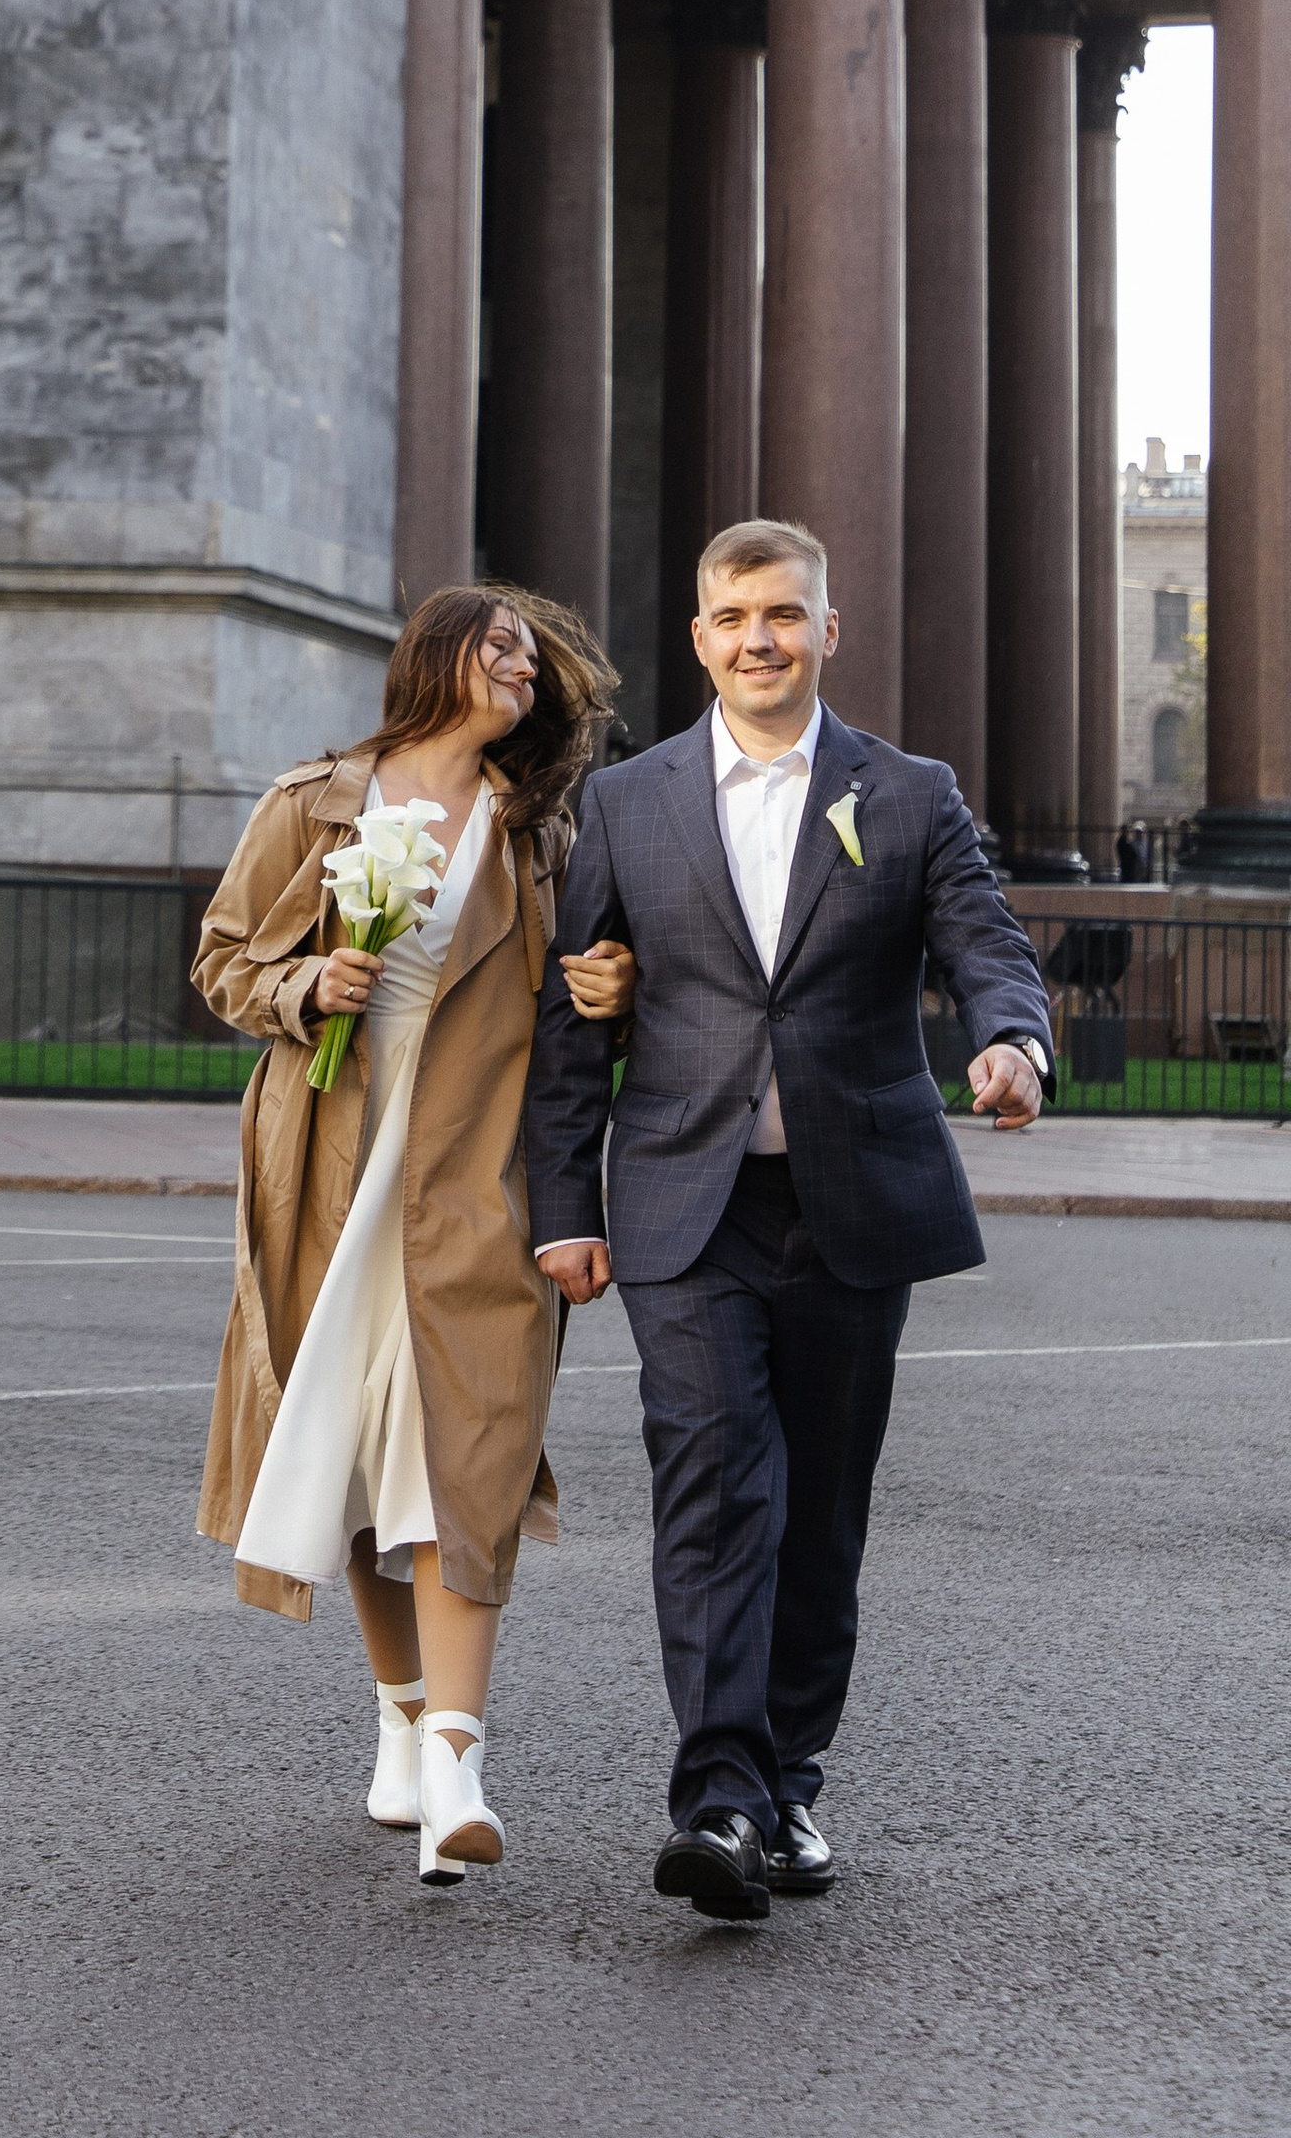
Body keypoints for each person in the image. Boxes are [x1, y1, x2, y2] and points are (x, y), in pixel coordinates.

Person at [525, 517, 1055, 1922]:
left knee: (817, 1508)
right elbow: (573, 1023)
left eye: (784, 614)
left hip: (850, 1206)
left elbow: (986, 944)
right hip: (686, 1206)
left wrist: (1014, 1045)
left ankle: (790, 1786)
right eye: (732, 616)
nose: (759, 638)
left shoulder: (911, 791)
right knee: (712, 1489)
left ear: (830, 631)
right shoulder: (629, 803)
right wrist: (562, 1211)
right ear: (698, 638)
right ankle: (719, 1801)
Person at [193, 587, 633, 1885]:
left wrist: (613, 987)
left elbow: (580, 1004)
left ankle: (454, 1754)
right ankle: (397, 1713)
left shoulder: (542, 832)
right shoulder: (315, 802)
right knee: (350, 1457)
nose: (522, 667)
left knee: (467, 1456)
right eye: (499, 645)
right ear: (435, 657)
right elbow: (221, 960)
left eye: (534, 658)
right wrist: (300, 985)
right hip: (330, 1177)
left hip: (478, 1185)